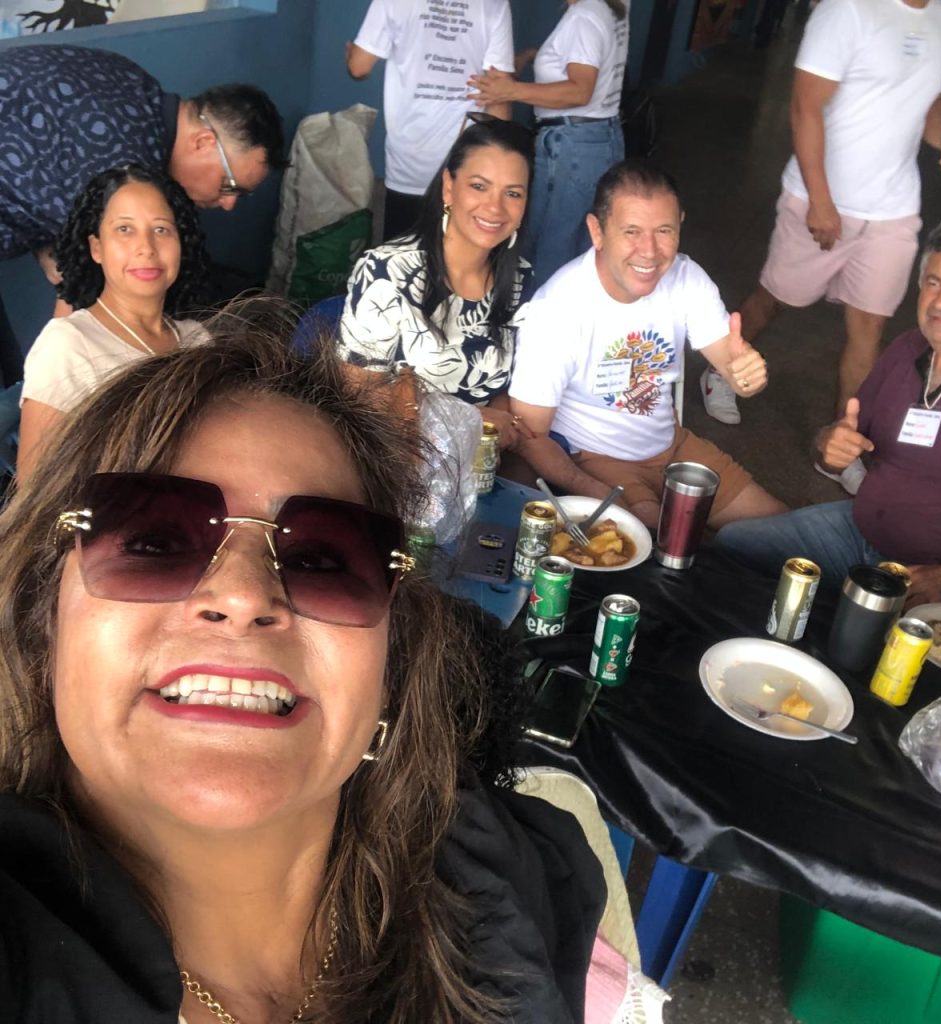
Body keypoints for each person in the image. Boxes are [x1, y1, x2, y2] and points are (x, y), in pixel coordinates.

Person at [0, 308, 604, 1023]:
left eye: (322, 559)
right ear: (44, 626)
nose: (242, 597)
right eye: (154, 543)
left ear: (389, 663)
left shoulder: (519, 881)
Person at [700, 0, 941, 470]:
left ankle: (842, 442)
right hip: (821, 197)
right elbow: (805, 105)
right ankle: (720, 369)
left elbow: (929, 96)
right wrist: (821, 199)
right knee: (776, 298)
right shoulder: (848, 10)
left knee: (869, 328)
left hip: (893, 209)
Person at [715, 208, 941, 609]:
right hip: (859, 533)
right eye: (933, 282)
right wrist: (828, 447)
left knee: (902, 645)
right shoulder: (907, 349)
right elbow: (841, 443)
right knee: (734, 547)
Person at [509, 159, 787, 530]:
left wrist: (745, 377)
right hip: (596, 459)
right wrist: (588, 487)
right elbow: (529, 433)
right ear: (597, 231)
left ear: (680, 225)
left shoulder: (686, 278)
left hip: (674, 446)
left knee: (782, 532)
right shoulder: (558, 309)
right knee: (665, 546)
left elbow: (730, 360)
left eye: (664, 231)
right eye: (632, 231)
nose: (650, 250)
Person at [0, 43, 285, 383]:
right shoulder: (122, 165)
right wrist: (55, 387)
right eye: (229, 186)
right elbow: (76, 311)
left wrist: (52, 243)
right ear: (203, 142)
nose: (228, 204)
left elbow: (40, 150)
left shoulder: (133, 85)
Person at [338, 117, 534, 450]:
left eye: (512, 193)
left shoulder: (520, 279)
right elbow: (357, 396)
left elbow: (509, 392)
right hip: (392, 455)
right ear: (448, 187)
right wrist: (472, 418)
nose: (495, 207)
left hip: (479, 460)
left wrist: (493, 429)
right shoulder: (387, 273)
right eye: (479, 186)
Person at [17, 165, 210, 482]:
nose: (146, 247)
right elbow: (35, 488)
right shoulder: (68, 344)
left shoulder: (198, 339)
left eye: (161, 230)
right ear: (97, 248)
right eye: (124, 229)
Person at [468, 0, 630, 286]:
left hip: (572, 147)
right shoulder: (609, 7)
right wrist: (535, 55)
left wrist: (510, 90)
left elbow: (580, 91)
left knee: (552, 247)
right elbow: (585, 57)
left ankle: (535, 310)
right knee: (578, 242)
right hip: (596, 138)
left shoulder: (583, 16)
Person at [346, 0, 514, 241]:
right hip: (466, 160)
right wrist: (495, 163)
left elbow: (359, 67)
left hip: (408, 158)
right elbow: (500, 88)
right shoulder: (494, 4)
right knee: (455, 253)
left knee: (401, 254)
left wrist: (351, 53)